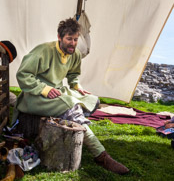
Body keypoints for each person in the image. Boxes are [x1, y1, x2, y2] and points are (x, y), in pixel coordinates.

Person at [13, 18, 129, 175]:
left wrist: (77, 86)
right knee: (71, 105)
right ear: (59, 37)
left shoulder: (75, 55)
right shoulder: (43, 50)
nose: (73, 43)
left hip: (56, 92)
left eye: (75, 39)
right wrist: (44, 89)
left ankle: (76, 122)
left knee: (92, 100)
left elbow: (73, 74)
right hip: (35, 96)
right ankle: (101, 155)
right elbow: (23, 75)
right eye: (69, 39)